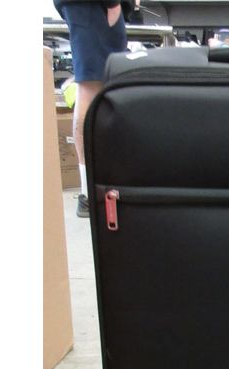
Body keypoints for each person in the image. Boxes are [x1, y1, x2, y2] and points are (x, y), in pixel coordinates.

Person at [53, 1, 137, 217]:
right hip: (95, 6)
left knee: (98, 87)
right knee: (91, 88)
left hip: (92, 7)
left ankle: (95, 188)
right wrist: (113, 3)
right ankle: (90, 193)